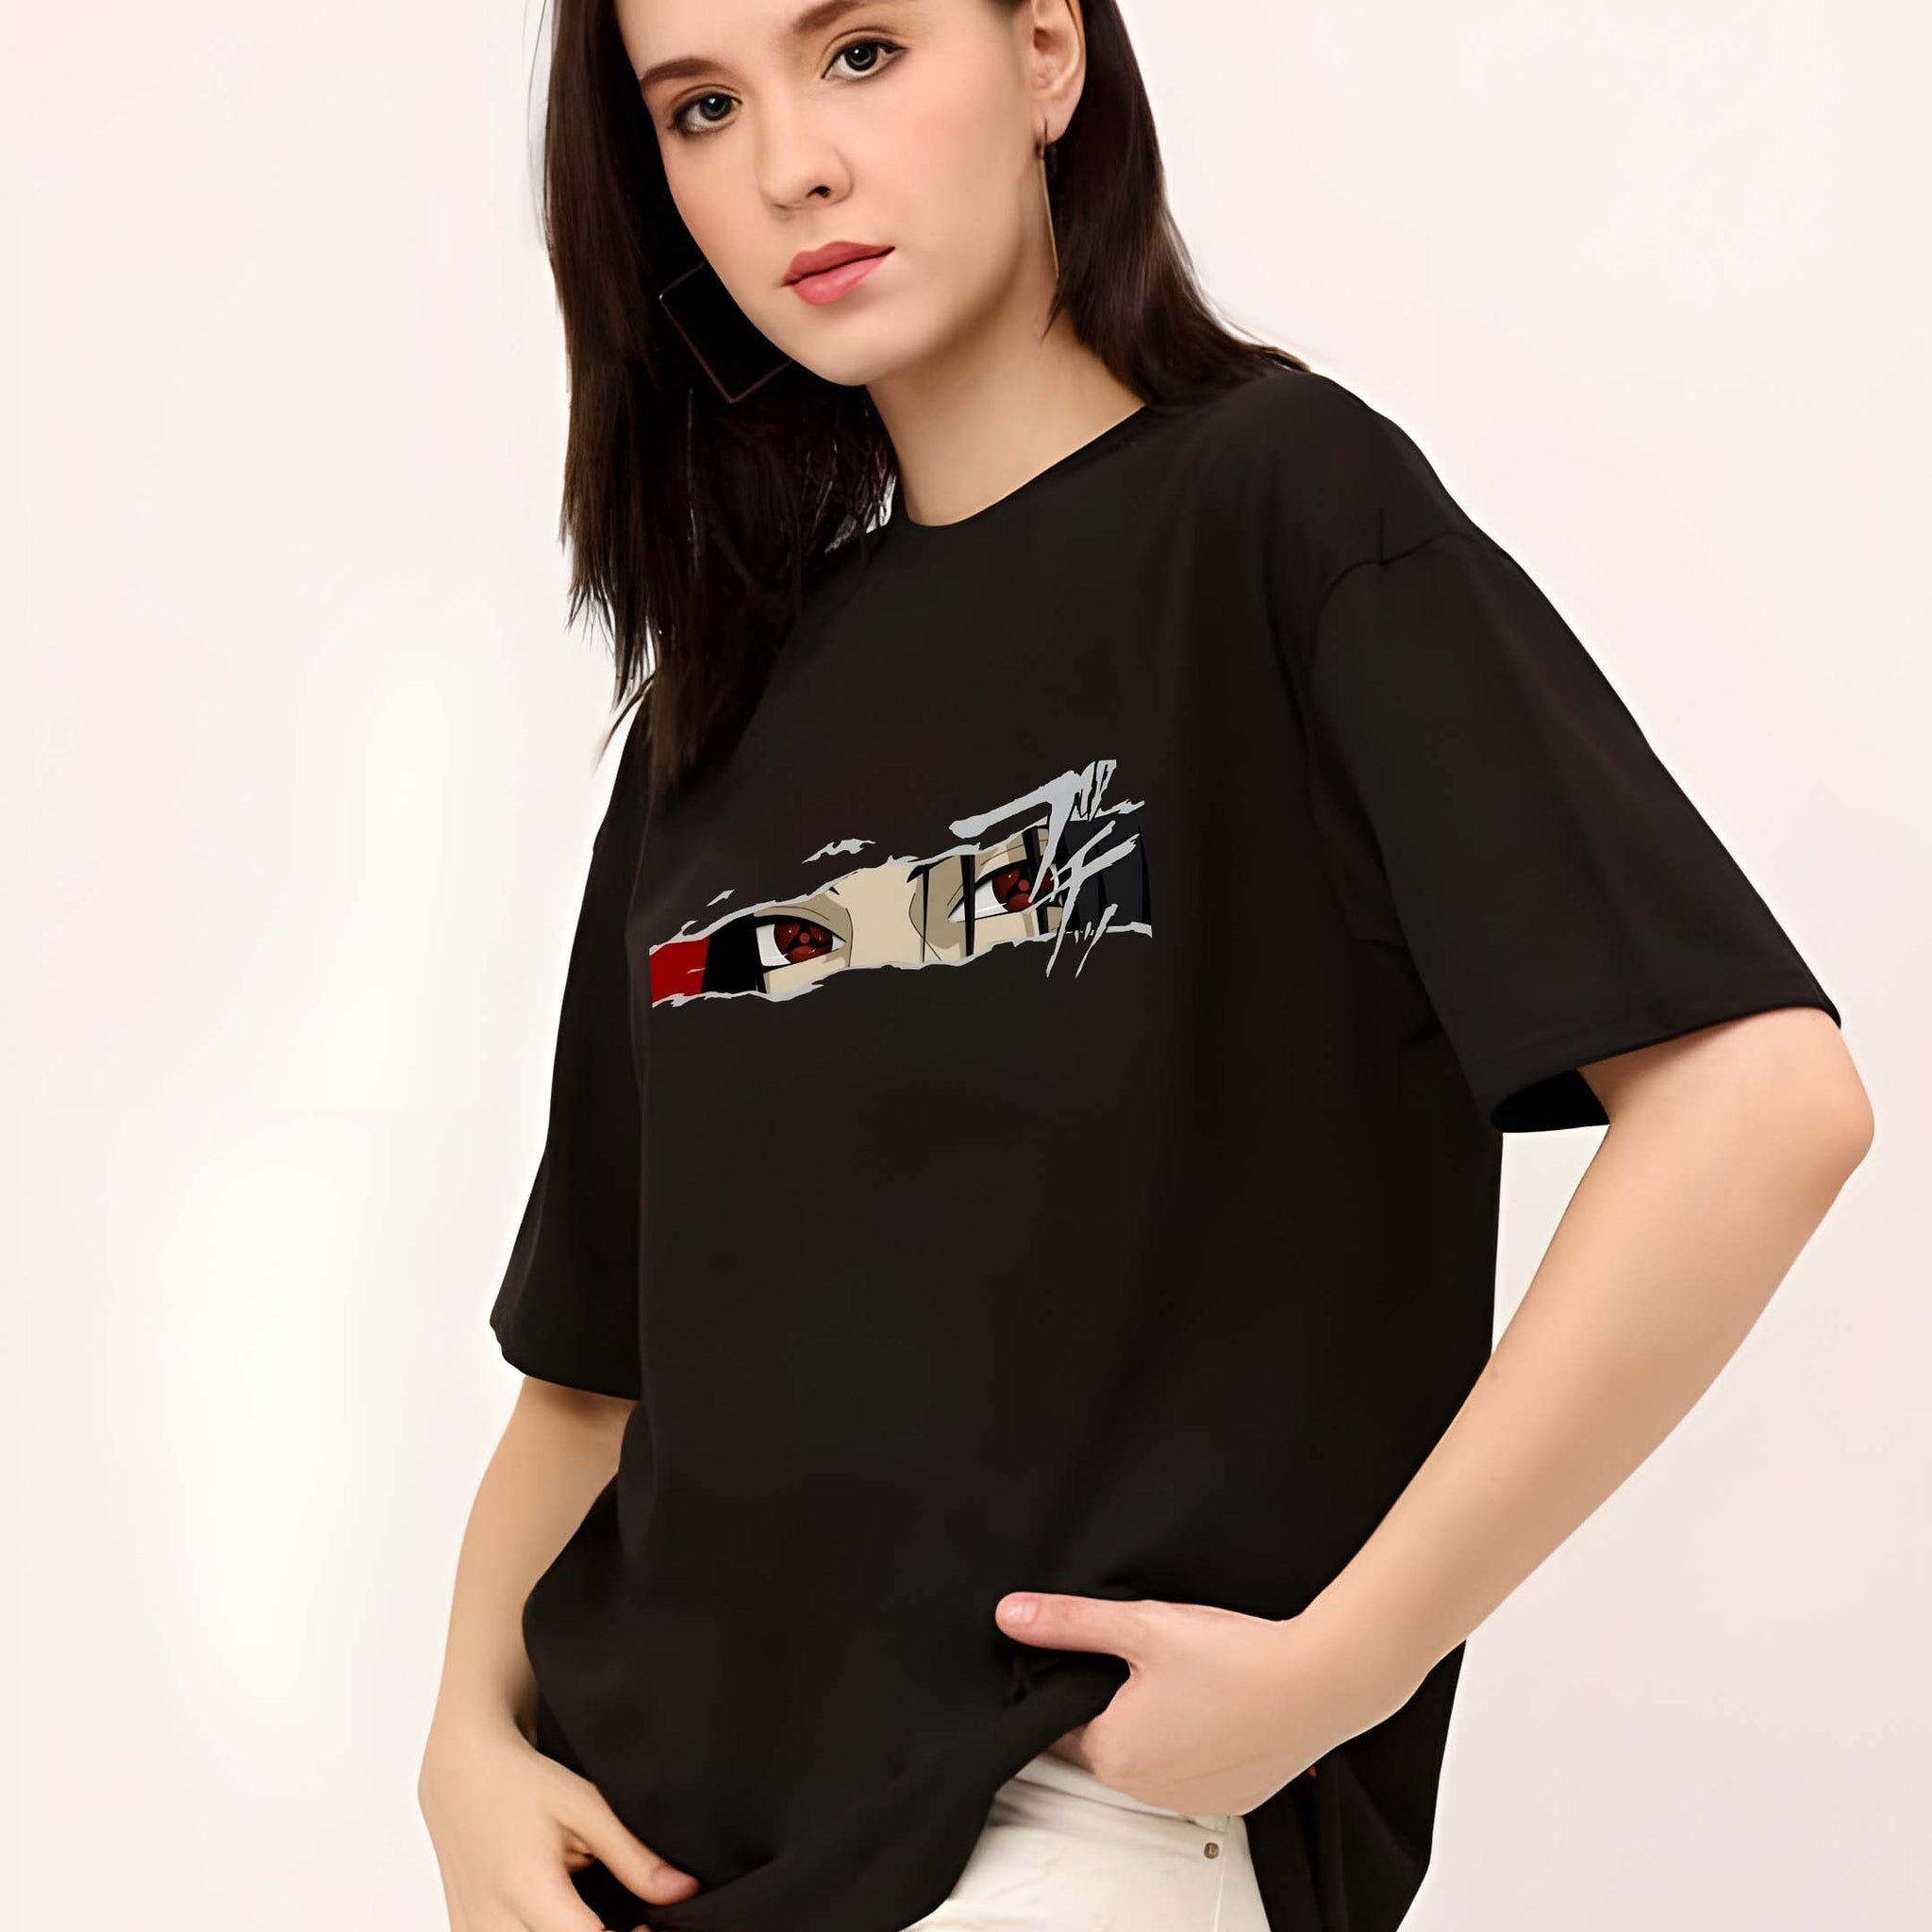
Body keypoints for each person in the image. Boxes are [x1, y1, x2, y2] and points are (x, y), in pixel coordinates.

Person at [417, 3, 1874, 1930]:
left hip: (1054, 1830)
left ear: (1046, 53)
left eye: (859, 51)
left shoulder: (1279, 511)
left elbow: (1757, 1104)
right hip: (642, 1856)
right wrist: (461, 1744)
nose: (788, 166)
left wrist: (1348, 1663)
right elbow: (592, 1380)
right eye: (700, 106)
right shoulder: (721, 709)